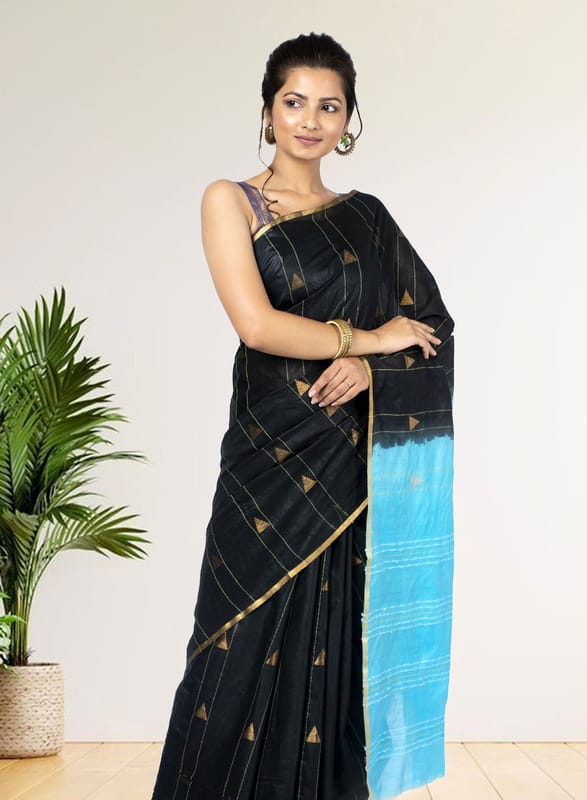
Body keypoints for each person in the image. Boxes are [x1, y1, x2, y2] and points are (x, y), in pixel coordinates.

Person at [151, 32, 455, 800]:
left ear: (349, 120)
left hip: (349, 464)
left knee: (337, 643)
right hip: (269, 457)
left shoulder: (369, 218)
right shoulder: (231, 201)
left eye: (329, 106)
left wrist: (373, 368)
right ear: (267, 111)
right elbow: (256, 325)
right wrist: (367, 339)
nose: (311, 120)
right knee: (233, 641)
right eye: (295, 102)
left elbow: (431, 328)